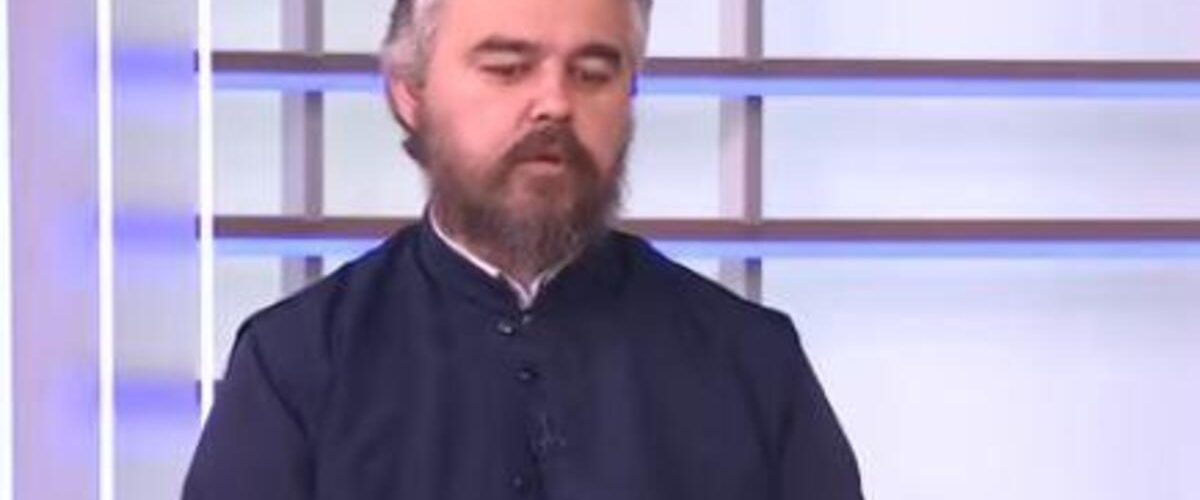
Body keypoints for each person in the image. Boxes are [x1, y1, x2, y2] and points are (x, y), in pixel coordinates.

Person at [183, 0, 863, 497]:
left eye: (592, 73)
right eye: (508, 68)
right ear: (411, 94)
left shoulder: (753, 362)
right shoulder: (299, 364)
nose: (554, 104)